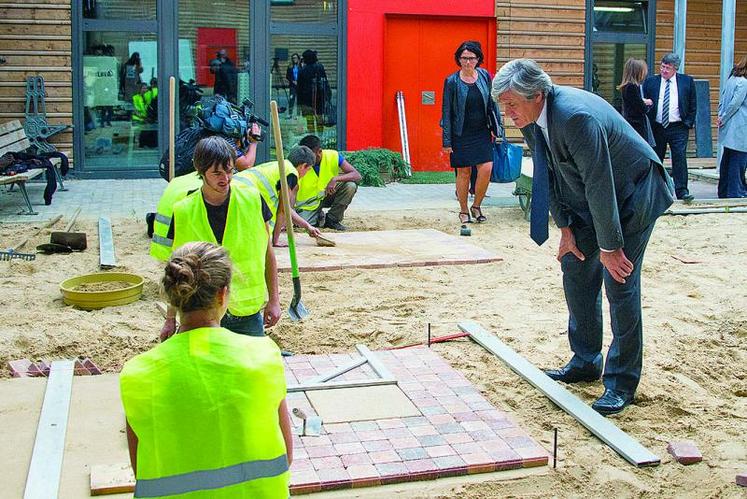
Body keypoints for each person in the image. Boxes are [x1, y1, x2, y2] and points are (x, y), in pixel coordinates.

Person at [492, 59, 674, 415]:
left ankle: (621, 382)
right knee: (575, 268)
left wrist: (609, 247)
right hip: (591, 201)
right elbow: (547, 172)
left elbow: (600, 181)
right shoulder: (531, 117)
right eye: (503, 104)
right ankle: (586, 359)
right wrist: (565, 229)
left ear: (537, 94)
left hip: (633, 195)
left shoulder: (575, 117)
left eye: (512, 103)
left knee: (619, 281)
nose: (507, 112)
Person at [120, 242, 292, 498]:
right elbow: (286, 455)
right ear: (223, 295)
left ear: (172, 296)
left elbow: (140, 468)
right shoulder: (263, 356)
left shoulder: (138, 373)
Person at [157, 136, 280, 339]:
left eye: (230, 170)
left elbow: (268, 253)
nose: (226, 178)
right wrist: (170, 319)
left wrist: (274, 300)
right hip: (200, 311)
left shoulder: (253, 199)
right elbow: (176, 270)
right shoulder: (183, 211)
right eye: (217, 173)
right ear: (201, 171)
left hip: (246, 310)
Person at [441, 40, 501, 224]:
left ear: (478, 59)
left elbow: (493, 104)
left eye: (471, 58)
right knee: (464, 172)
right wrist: (447, 141)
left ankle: (476, 205)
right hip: (461, 134)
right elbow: (447, 112)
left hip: (482, 132)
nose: (467, 62)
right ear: (458, 59)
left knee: (486, 169)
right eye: (463, 58)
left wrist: (499, 129)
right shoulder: (452, 81)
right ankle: (463, 209)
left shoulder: (484, 76)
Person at [235, 145, 322, 246]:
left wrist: (307, 226)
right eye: (309, 169)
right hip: (244, 192)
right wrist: (275, 241)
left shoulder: (280, 165)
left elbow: (286, 209)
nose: (307, 173)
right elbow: (283, 210)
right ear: (303, 166)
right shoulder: (291, 173)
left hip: (235, 186)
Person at [643, 53, 697, 201]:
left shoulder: (687, 82)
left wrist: (688, 123)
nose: (664, 70)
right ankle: (655, 190)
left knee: (679, 157)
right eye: (662, 66)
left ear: (675, 69)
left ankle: (682, 191)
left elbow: (693, 104)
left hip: (678, 126)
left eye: (668, 68)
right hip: (657, 126)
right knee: (656, 157)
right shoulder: (651, 82)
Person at [296, 134, 361, 231]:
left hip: (328, 194)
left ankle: (332, 220)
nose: (307, 158)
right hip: (309, 203)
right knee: (301, 224)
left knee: (350, 186)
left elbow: (357, 175)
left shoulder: (333, 156)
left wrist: (335, 179)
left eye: (311, 154)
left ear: (319, 152)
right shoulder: (299, 161)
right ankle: (319, 216)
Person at [717, 55, 747, 198]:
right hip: (740, 128)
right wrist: (724, 117)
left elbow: (723, 99)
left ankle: (724, 191)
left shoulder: (731, 80)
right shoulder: (744, 83)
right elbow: (735, 103)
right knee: (738, 161)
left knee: (727, 160)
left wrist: (721, 116)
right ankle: (735, 192)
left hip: (729, 127)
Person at [618, 58, 654, 144]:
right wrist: (647, 103)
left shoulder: (626, 87)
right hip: (636, 125)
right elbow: (641, 108)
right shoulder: (632, 87)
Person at [296, 50, 328, 133]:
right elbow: (325, 82)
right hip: (319, 97)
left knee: (309, 119)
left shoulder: (303, 70)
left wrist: (299, 102)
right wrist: (327, 95)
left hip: (306, 99)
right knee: (319, 117)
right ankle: (320, 134)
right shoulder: (320, 67)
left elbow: (299, 87)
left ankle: (312, 134)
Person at [285, 53, 301, 117]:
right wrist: (292, 81)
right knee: (292, 99)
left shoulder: (301, 66)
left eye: (296, 58)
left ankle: (298, 114)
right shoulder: (290, 67)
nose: (295, 59)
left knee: (299, 100)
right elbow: (287, 76)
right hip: (292, 86)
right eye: (293, 58)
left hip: (300, 85)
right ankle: (290, 113)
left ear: (298, 59)